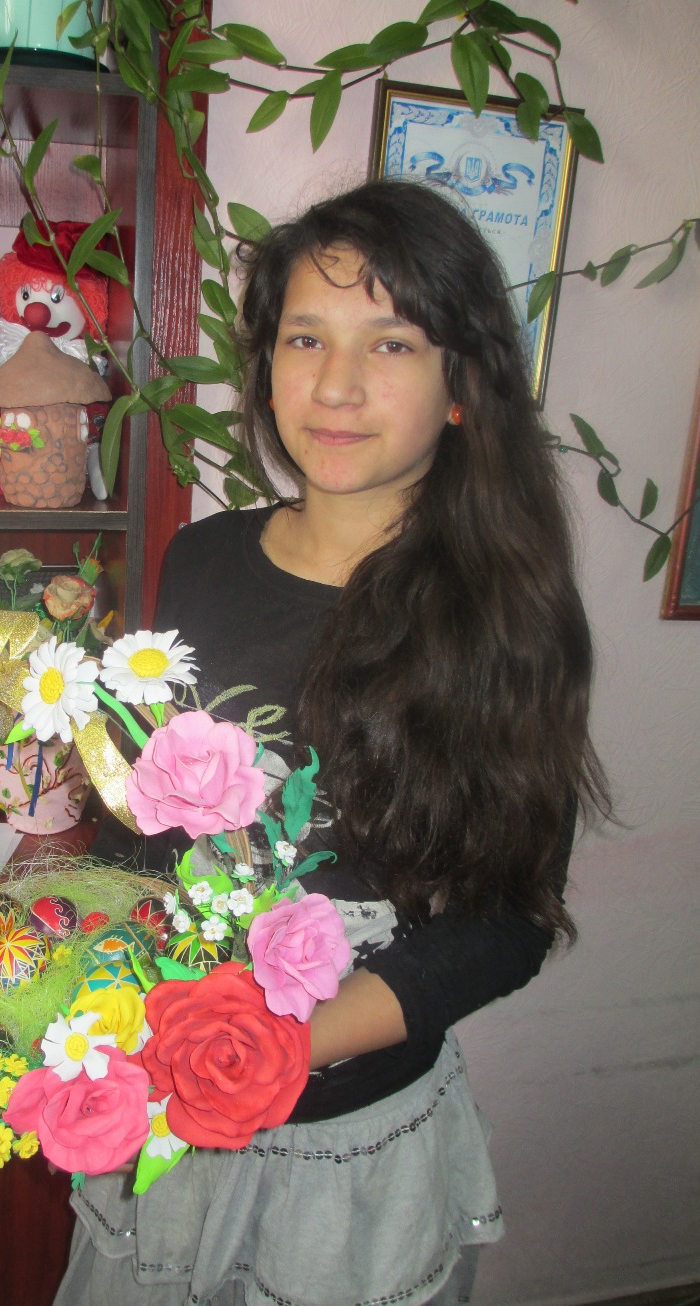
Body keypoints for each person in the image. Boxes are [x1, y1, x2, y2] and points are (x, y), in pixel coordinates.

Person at [53, 177, 609, 1306]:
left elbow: (507, 923)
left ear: (461, 387)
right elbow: (146, 831)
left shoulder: (506, 617)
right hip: (165, 1104)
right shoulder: (201, 561)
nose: (336, 385)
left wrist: (268, 1045)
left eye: (390, 343)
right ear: (265, 364)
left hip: (348, 1141)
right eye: (305, 337)